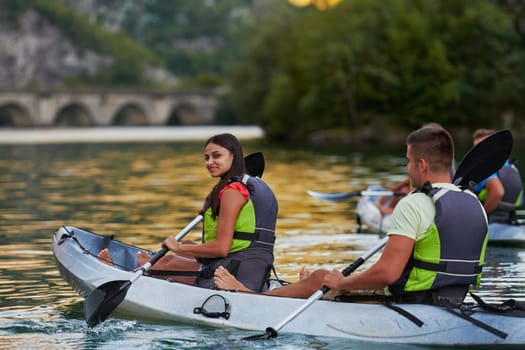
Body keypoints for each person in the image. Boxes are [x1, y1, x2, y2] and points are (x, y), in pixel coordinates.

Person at [215, 126, 488, 305]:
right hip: (454, 299)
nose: (408, 168)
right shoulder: (474, 202)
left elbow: (387, 273)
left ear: (422, 164)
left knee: (323, 277)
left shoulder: (415, 203)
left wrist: (343, 282)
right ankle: (302, 286)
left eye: (407, 161)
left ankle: (250, 297)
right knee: (322, 279)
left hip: (412, 301)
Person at [99, 133, 279, 292]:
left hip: (235, 271)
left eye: (217, 156)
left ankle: (116, 275)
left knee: (167, 261)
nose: (209, 163)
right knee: (185, 249)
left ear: (234, 156)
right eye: (206, 158)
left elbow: (221, 248)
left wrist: (178, 247)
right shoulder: (248, 186)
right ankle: (138, 269)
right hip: (254, 270)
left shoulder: (233, 191)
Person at [472, 129, 523, 223]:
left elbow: (498, 191)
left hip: (491, 221)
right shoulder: (510, 166)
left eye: (481, 147)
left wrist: (481, 219)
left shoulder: (487, 168)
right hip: (509, 220)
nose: (476, 152)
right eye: (475, 148)